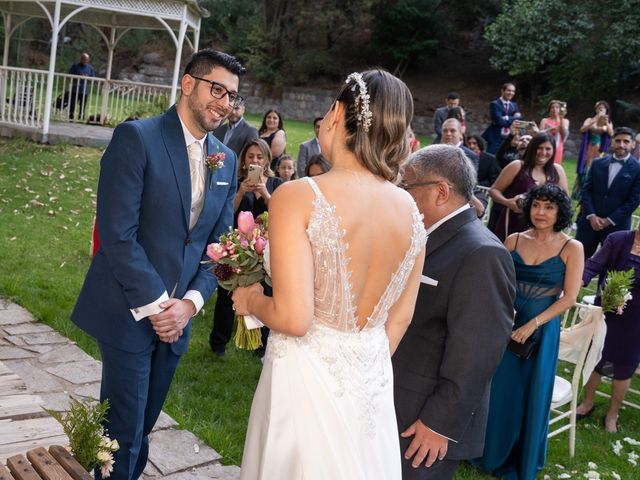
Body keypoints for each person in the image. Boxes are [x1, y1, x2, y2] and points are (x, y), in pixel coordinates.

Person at [232, 70, 427, 480]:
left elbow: (294, 318)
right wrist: (358, 366)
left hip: (303, 381)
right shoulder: (411, 211)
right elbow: (401, 317)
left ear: (337, 113)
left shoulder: (298, 195)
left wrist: (249, 299)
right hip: (370, 382)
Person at [70, 49, 243, 480]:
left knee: (143, 427)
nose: (225, 103)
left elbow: (218, 246)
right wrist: (160, 306)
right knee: (121, 432)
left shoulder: (226, 158)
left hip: (178, 320)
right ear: (188, 84)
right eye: (217, 89)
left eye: (233, 96)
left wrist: (189, 305)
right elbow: (117, 236)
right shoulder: (137, 138)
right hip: (130, 310)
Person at [393, 144, 516, 480]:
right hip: (395, 400)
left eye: (407, 187)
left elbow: (477, 352)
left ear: (441, 191)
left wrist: (439, 423)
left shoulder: (481, 253)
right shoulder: (425, 236)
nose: (400, 195)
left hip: (424, 420)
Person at [472, 184, 583, 480]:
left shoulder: (571, 247)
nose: (541, 212)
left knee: (528, 391)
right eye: (536, 205)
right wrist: (504, 316)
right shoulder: (513, 240)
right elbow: (498, 283)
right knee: (497, 387)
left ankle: (519, 457)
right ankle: (488, 451)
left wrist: (532, 325)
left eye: (549, 207)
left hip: (541, 328)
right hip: (506, 321)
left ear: (560, 211)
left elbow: (570, 297)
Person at [209, 138, 283, 357]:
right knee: (227, 295)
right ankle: (218, 343)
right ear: (244, 160)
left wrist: (264, 193)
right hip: (237, 247)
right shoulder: (237, 181)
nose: (255, 160)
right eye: (251, 156)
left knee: (266, 294)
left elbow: (281, 214)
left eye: (260, 156)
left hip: (266, 247)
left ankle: (260, 344)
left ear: (267, 159)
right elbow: (226, 213)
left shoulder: (276, 184)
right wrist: (241, 192)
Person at [576, 229, 640, 433]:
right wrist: (578, 281)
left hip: (635, 319)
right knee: (596, 356)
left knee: (624, 365)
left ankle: (613, 414)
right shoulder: (618, 239)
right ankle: (587, 403)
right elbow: (594, 264)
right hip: (606, 309)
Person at [490, 132, 569, 242]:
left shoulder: (558, 171)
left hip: (544, 227)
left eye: (548, 149)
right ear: (532, 148)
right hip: (515, 223)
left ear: (553, 150)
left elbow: (565, 200)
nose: (543, 152)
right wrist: (508, 202)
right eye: (539, 148)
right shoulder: (517, 166)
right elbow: (494, 190)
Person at [575, 126, 640, 259]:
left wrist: (609, 220)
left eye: (626, 141)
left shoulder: (638, 169)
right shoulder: (598, 163)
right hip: (589, 224)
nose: (621, 145)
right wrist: (591, 215)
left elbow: (634, 200)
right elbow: (586, 190)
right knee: (578, 260)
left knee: (610, 268)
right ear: (612, 142)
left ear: (633, 144)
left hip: (617, 227)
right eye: (618, 140)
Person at [573, 101, 614, 200]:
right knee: (585, 167)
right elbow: (582, 130)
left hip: (599, 149)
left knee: (596, 168)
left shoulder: (608, 122)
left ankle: (591, 192)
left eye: (603, 108)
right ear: (595, 109)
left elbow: (611, 134)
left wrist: (606, 122)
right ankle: (580, 192)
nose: (601, 109)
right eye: (599, 108)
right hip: (588, 147)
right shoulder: (590, 119)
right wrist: (594, 119)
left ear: (606, 110)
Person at [482, 82, 522, 154]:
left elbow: (519, 120)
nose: (511, 93)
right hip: (496, 138)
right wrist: (513, 118)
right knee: (491, 158)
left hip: (509, 138)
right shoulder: (494, 104)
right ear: (502, 91)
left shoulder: (514, 105)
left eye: (513, 91)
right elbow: (499, 121)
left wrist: (506, 117)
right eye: (508, 90)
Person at [466, 134, 500, 210]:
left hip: (484, 194)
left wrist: (478, 185)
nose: (471, 146)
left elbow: (493, 179)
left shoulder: (490, 159)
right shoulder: (464, 157)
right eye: (469, 143)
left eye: (474, 143)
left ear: (479, 144)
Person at [539, 100, 569, 164]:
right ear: (549, 109)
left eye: (557, 107)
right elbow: (539, 134)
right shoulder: (544, 120)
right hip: (545, 145)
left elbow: (564, 133)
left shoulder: (565, 121)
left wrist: (561, 119)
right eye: (552, 107)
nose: (554, 109)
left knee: (555, 164)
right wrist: (549, 130)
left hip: (558, 146)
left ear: (560, 109)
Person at [68, 52, 95, 120]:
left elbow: (93, 78)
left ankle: (81, 117)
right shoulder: (75, 66)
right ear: (81, 59)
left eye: (86, 59)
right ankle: (70, 117)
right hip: (75, 89)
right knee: (73, 104)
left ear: (88, 60)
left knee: (83, 105)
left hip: (84, 90)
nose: (84, 60)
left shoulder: (90, 68)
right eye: (83, 59)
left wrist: (87, 77)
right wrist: (79, 77)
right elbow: (70, 76)